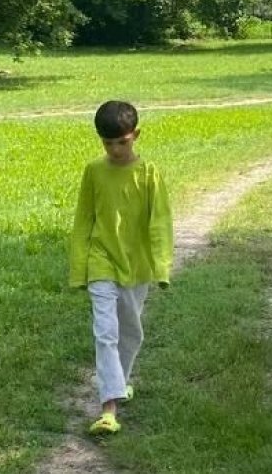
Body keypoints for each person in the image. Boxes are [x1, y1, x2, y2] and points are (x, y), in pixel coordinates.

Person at [69, 100, 173, 436]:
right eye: (107, 143)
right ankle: (108, 409)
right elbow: (83, 221)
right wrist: (79, 269)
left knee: (131, 331)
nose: (114, 149)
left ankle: (120, 381)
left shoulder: (149, 174)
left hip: (137, 265)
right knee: (105, 332)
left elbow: (160, 223)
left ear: (136, 135)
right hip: (101, 261)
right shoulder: (94, 171)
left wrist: (162, 266)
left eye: (122, 142)